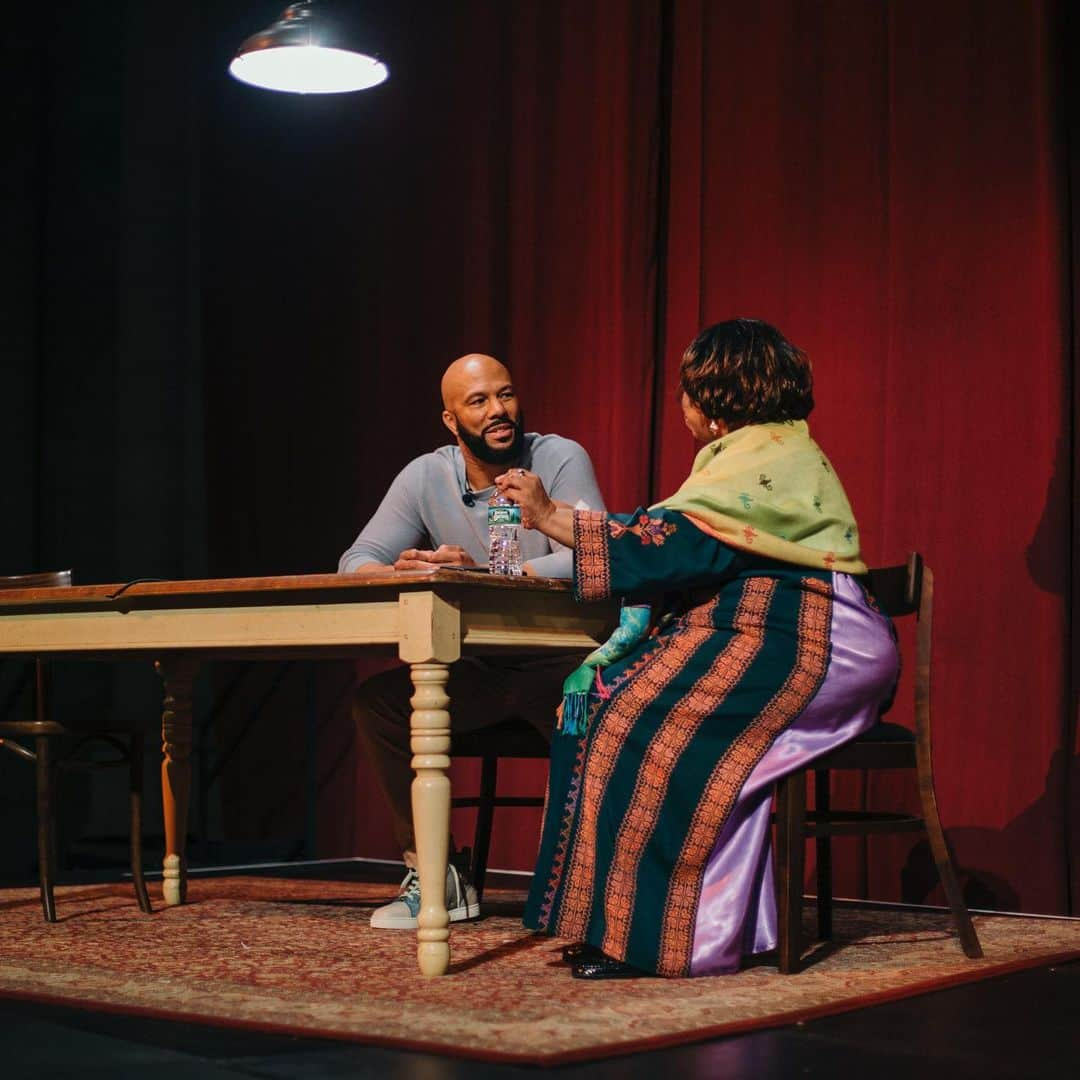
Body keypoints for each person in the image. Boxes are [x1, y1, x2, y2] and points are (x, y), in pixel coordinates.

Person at [496, 319, 899, 979]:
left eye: (688, 392)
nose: (681, 405)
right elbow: (674, 541)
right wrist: (554, 520)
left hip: (815, 643)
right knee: (604, 703)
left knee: (633, 720)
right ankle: (629, 925)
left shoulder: (765, 458)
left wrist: (546, 517)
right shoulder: (763, 452)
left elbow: (677, 548)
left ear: (713, 405)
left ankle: (651, 938)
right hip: (779, 630)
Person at [338, 352, 605, 930]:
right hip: (482, 667)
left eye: (505, 395)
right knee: (378, 705)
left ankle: (591, 887)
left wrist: (479, 575)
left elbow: (593, 550)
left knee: (598, 713)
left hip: (562, 663)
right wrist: (403, 570)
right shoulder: (425, 475)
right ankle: (436, 875)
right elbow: (355, 562)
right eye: (478, 402)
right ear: (451, 421)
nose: (498, 411)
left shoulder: (558, 458)